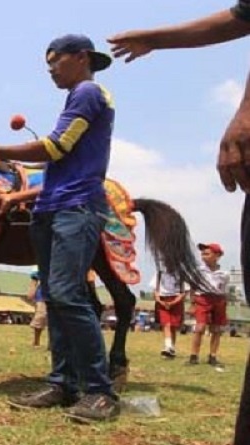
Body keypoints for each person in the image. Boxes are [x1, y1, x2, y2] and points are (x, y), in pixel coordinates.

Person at [0, 34, 119, 422]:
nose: (49, 69)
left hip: (76, 210)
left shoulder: (87, 93)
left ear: (81, 58)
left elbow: (55, 148)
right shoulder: (75, 97)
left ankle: (100, 391)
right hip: (51, 207)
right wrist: (16, 198)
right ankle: (62, 383)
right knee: (55, 298)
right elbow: (60, 167)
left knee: (66, 295)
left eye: (55, 61)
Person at [108, 10, 250, 440]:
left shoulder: (89, 101)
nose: (52, 69)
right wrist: (156, 38)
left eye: (57, 60)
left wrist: (247, 111)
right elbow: (241, 16)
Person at [188, 243, 230, 367]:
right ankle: (194, 355)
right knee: (199, 327)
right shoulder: (198, 271)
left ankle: (212, 356)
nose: (203, 256)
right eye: (202, 254)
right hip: (203, 298)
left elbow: (224, 290)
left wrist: (224, 306)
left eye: (207, 254)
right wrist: (192, 303)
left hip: (218, 299)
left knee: (216, 329)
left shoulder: (224, 274)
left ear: (217, 256)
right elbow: (192, 287)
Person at [152, 269, 188, 359]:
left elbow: (184, 292)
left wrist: (173, 302)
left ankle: (171, 348)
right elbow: (155, 290)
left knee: (173, 326)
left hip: (176, 300)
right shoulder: (160, 273)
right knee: (166, 324)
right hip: (162, 300)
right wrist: (160, 301)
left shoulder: (181, 274)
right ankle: (168, 346)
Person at [26, 271, 47, 348]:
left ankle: (52, 344)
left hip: (60, 293)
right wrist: (31, 290)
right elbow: (35, 276)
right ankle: (36, 341)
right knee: (41, 317)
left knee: (56, 321)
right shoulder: (45, 263)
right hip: (42, 296)